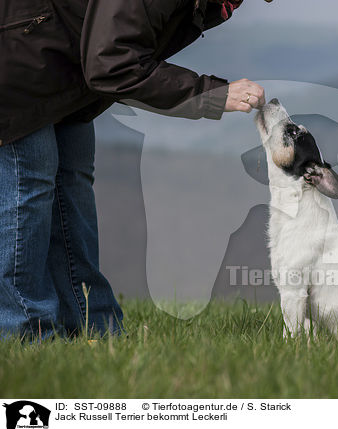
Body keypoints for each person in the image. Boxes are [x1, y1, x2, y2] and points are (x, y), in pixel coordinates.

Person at [0, 0, 267, 339]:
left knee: (72, 185)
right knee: (30, 183)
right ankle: (24, 332)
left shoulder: (213, 4)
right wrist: (213, 95)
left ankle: (92, 326)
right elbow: (113, 63)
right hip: (18, 52)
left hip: (65, 69)